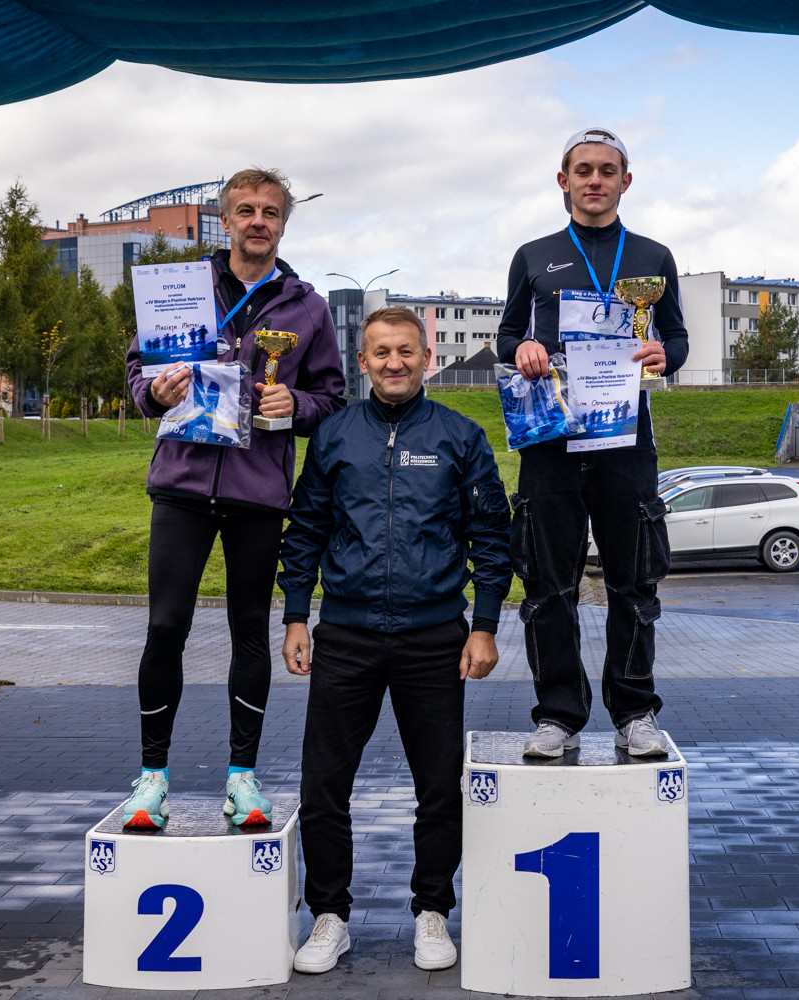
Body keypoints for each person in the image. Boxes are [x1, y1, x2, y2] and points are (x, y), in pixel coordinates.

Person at [277, 306, 512, 973]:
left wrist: (485, 625)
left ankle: (432, 911)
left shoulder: (460, 436)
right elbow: (306, 529)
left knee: (438, 788)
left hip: (433, 637)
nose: (394, 363)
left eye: (406, 351)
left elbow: (492, 536)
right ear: (363, 361)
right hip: (345, 635)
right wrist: (295, 615)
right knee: (324, 787)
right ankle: (329, 917)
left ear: (427, 357)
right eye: (381, 352)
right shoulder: (334, 434)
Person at [120, 167, 346, 830]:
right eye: (246, 210)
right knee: (166, 627)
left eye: (270, 212)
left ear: (283, 223)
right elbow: (138, 371)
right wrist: (152, 392)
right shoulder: (181, 288)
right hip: (183, 486)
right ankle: (152, 780)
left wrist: (295, 403)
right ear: (225, 220)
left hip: (257, 493)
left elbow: (331, 400)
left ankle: (242, 779)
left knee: (250, 633)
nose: (258, 221)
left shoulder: (307, 307)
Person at [495, 127, 688, 757]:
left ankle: (635, 713)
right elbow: (506, 336)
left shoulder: (654, 256)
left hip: (626, 439)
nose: (595, 180)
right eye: (584, 170)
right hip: (552, 439)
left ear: (625, 182)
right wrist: (523, 348)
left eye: (608, 170)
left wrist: (666, 354)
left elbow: (678, 339)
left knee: (635, 583)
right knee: (549, 586)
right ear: (564, 180)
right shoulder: (534, 255)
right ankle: (558, 715)